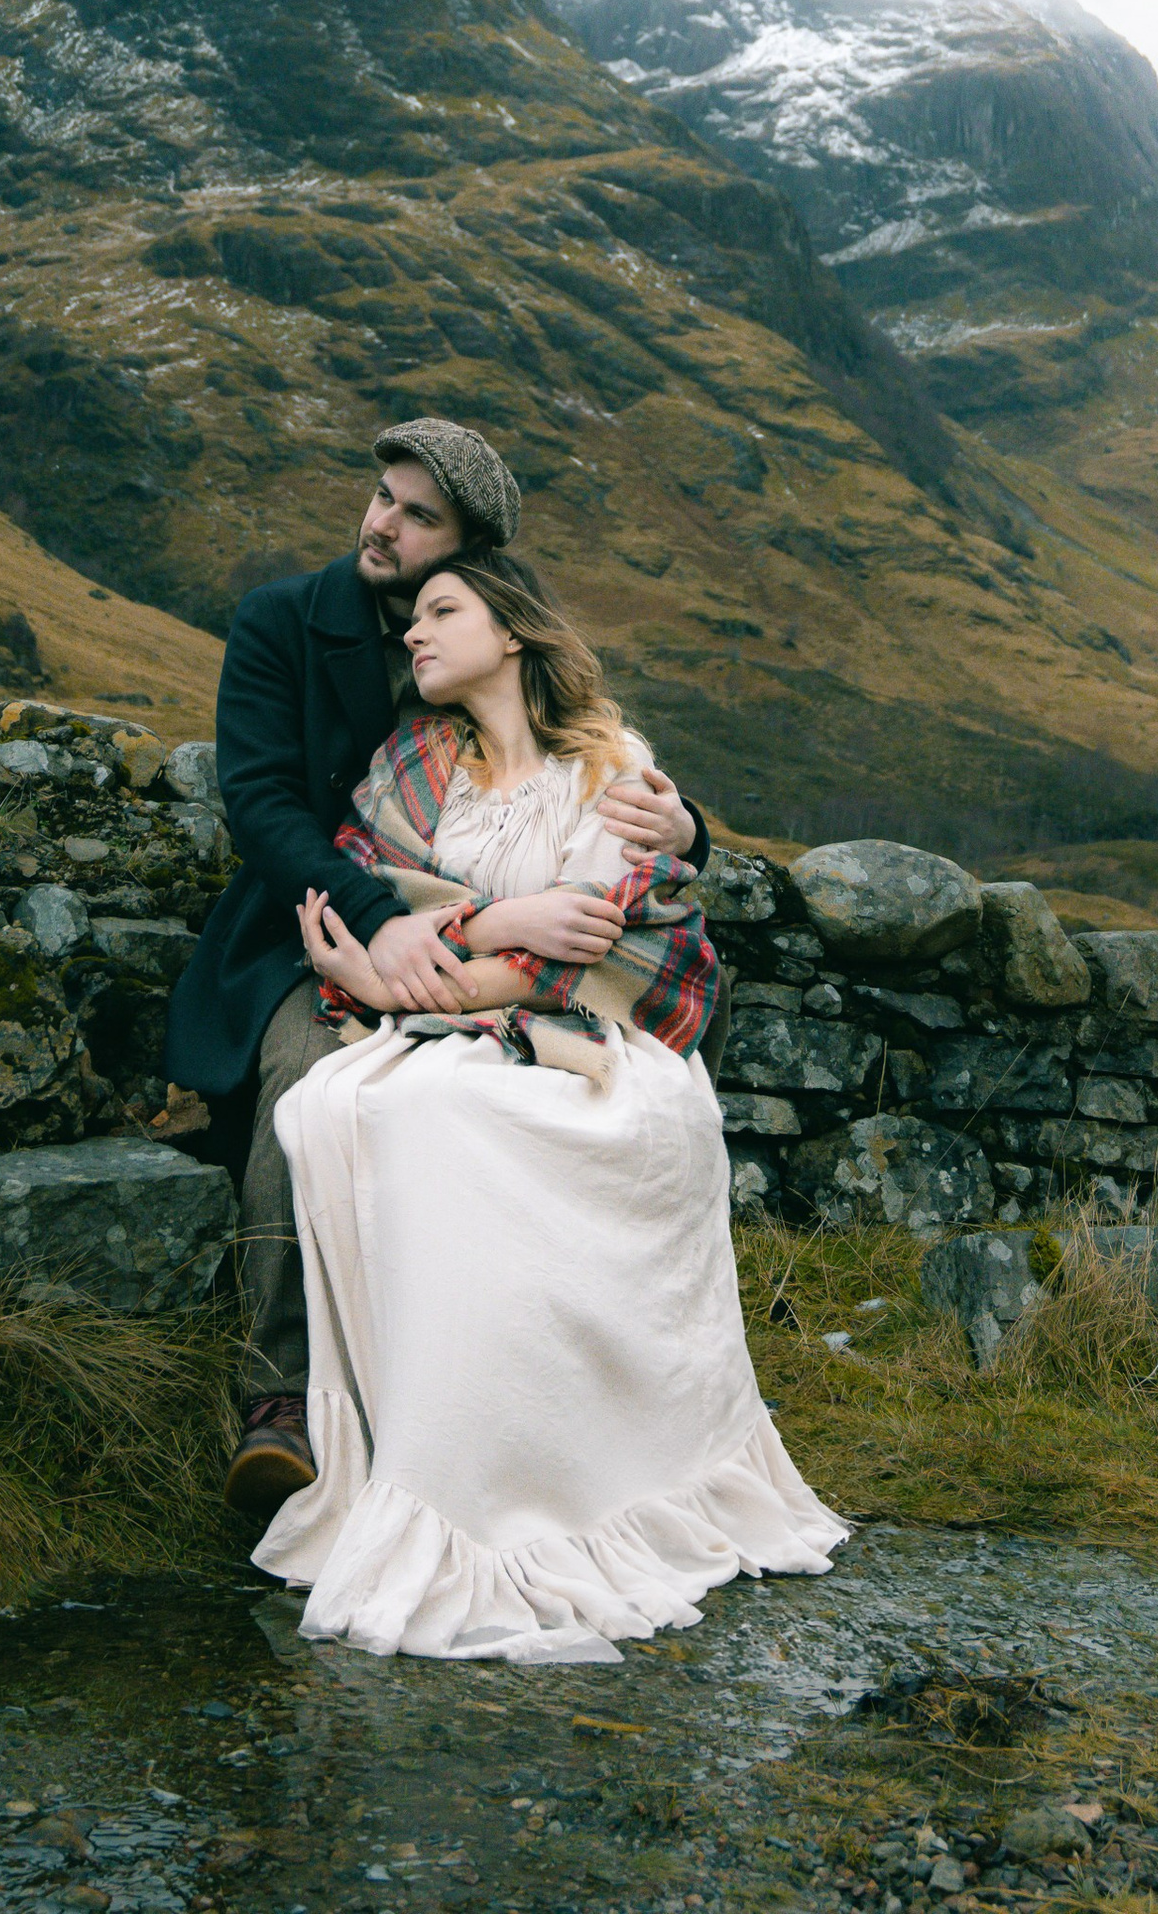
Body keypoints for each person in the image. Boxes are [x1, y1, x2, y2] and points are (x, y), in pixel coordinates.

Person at [253, 550, 846, 1663]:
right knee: (345, 1109)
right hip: (445, 1021)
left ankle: (532, 1473)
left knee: (442, 1122)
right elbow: (365, 905)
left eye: (442, 612)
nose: (414, 635)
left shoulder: (615, 774)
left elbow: (619, 934)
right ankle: (412, 1459)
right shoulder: (409, 766)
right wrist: (476, 930)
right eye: (414, 618)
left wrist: (444, 965)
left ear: (512, 632)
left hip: (587, 1040)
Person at [163, 417, 707, 1519]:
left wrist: (691, 826)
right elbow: (263, 808)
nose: (381, 522)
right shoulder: (282, 621)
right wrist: (381, 926)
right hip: (309, 922)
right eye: (381, 496)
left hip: (473, 939)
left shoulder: (453, 647)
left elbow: (582, 758)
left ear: (467, 557)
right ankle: (277, 1400)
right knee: (306, 1084)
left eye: (418, 516)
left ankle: (495, 1405)